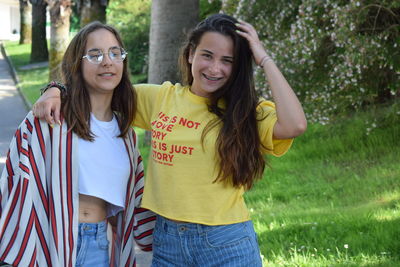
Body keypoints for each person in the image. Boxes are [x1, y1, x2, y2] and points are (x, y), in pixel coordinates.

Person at [33, 14, 306, 266]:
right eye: (207, 55)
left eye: (228, 60)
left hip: (227, 242)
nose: (214, 68)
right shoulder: (159, 98)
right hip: (168, 242)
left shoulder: (245, 111)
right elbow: (99, 85)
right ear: (190, 55)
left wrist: (263, 58)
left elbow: (294, 124)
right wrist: (55, 90)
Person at [0, 22, 155, 267]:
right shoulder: (52, 118)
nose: (107, 61)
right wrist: (54, 89)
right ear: (77, 64)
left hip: (97, 246)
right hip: (48, 243)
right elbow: (16, 175)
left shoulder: (126, 135)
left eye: (115, 53)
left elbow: (132, 200)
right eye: (95, 55)